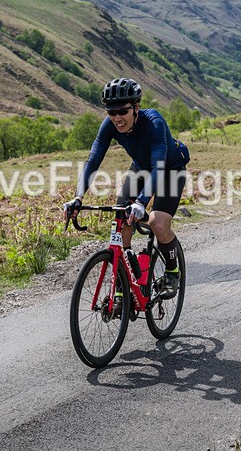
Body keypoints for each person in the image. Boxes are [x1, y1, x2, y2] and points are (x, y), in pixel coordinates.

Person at [63, 78, 190, 299]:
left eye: (122, 111)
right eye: (111, 112)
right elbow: (93, 161)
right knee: (121, 222)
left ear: (136, 107)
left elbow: (157, 167)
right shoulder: (110, 124)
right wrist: (78, 198)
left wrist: (141, 202)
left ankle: (172, 271)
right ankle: (124, 284)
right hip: (141, 168)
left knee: (158, 223)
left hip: (169, 169)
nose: (117, 118)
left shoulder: (154, 123)